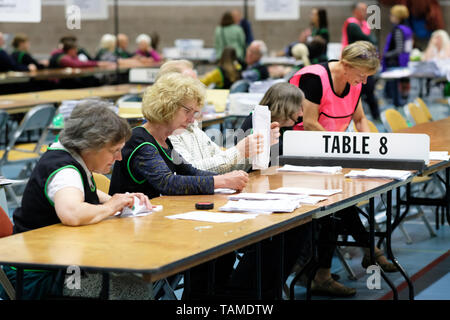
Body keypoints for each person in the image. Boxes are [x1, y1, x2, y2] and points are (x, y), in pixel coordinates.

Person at [0, 101, 151, 300]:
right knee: (130, 285)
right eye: (114, 150)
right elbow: (72, 213)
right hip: (38, 277)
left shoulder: (71, 158)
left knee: (130, 278)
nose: (119, 157)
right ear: (91, 145)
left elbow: (88, 193)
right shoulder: (65, 171)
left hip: (56, 264)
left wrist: (123, 200)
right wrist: (111, 205)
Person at [289, 41, 398, 297]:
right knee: (336, 206)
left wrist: (369, 146)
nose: (364, 82)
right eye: (362, 75)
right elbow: (310, 123)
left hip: (331, 155)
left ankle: (332, 271)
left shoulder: (354, 84)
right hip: (299, 153)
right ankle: (368, 250)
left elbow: (360, 119)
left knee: (342, 204)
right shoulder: (314, 79)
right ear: (346, 65)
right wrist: (341, 147)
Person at [160, 59, 280, 174]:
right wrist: (238, 151)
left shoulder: (191, 125)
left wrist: (257, 147)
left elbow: (223, 166)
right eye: (190, 84)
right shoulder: (166, 130)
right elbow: (190, 170)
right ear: (171, 92)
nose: (197, 89)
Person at [341, 2, 380, 121]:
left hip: (364, 64)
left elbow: (373, 41)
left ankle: (374, 117)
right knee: (355, 93)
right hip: (354, 64)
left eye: (366, 10)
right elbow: (369, 40)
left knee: (368, 91)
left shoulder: (363, 24)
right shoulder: (352, 24)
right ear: (355, 11)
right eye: (363, 10)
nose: (365, 12)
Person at [382, 5, 413, 107]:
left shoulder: (398, 30)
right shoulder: (407, 29)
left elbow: (398, 49)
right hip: (404, 61)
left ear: (397, 16)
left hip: (396, 63)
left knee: (394, 93)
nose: (390, 16)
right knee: (401, 91)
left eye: (392, 14)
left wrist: (385, 55)